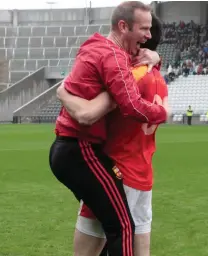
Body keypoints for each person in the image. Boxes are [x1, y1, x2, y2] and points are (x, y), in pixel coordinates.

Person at [49, 2, 168, 256]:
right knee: (124, 228)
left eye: (149, 30)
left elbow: (87, 108)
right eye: (142, 28)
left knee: (110, 228)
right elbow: (117, 109)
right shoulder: (118, 60)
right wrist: (164, 112)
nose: (146, 35)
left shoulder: (95, 46)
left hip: (80, 152)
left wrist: (62, 93)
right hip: (88, 153)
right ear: (123, 27)